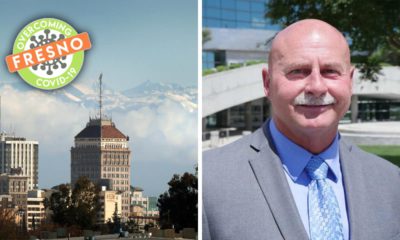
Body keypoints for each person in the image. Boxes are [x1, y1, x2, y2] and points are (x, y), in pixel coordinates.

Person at [202, 19, 400, 240]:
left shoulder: (391, 182)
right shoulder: (209, 181)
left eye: (330, 71)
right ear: (267, 83)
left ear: (350, 82)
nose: (316, 87)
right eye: (298, 71)